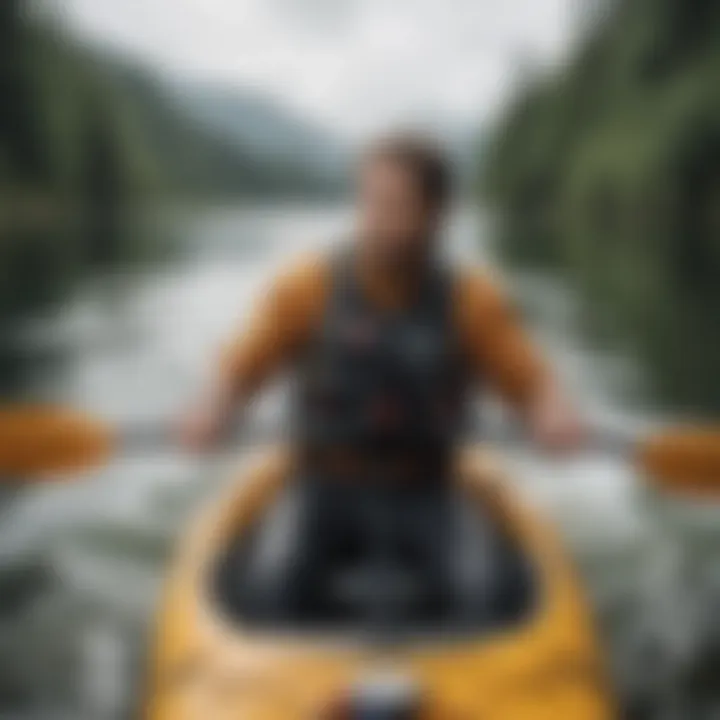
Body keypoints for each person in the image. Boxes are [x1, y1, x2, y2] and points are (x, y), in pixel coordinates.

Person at [179, 132, 584, 621]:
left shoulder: (472, 300)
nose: (376, 219)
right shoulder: (307, 286)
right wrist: (212, 408)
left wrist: (551, 413)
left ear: (435, 215)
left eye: (395, 205)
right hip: (323, 487)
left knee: (482, 599)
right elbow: (237, 370)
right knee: (268, 594)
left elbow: (533, 383)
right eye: (369, 201)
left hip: (427, 491)